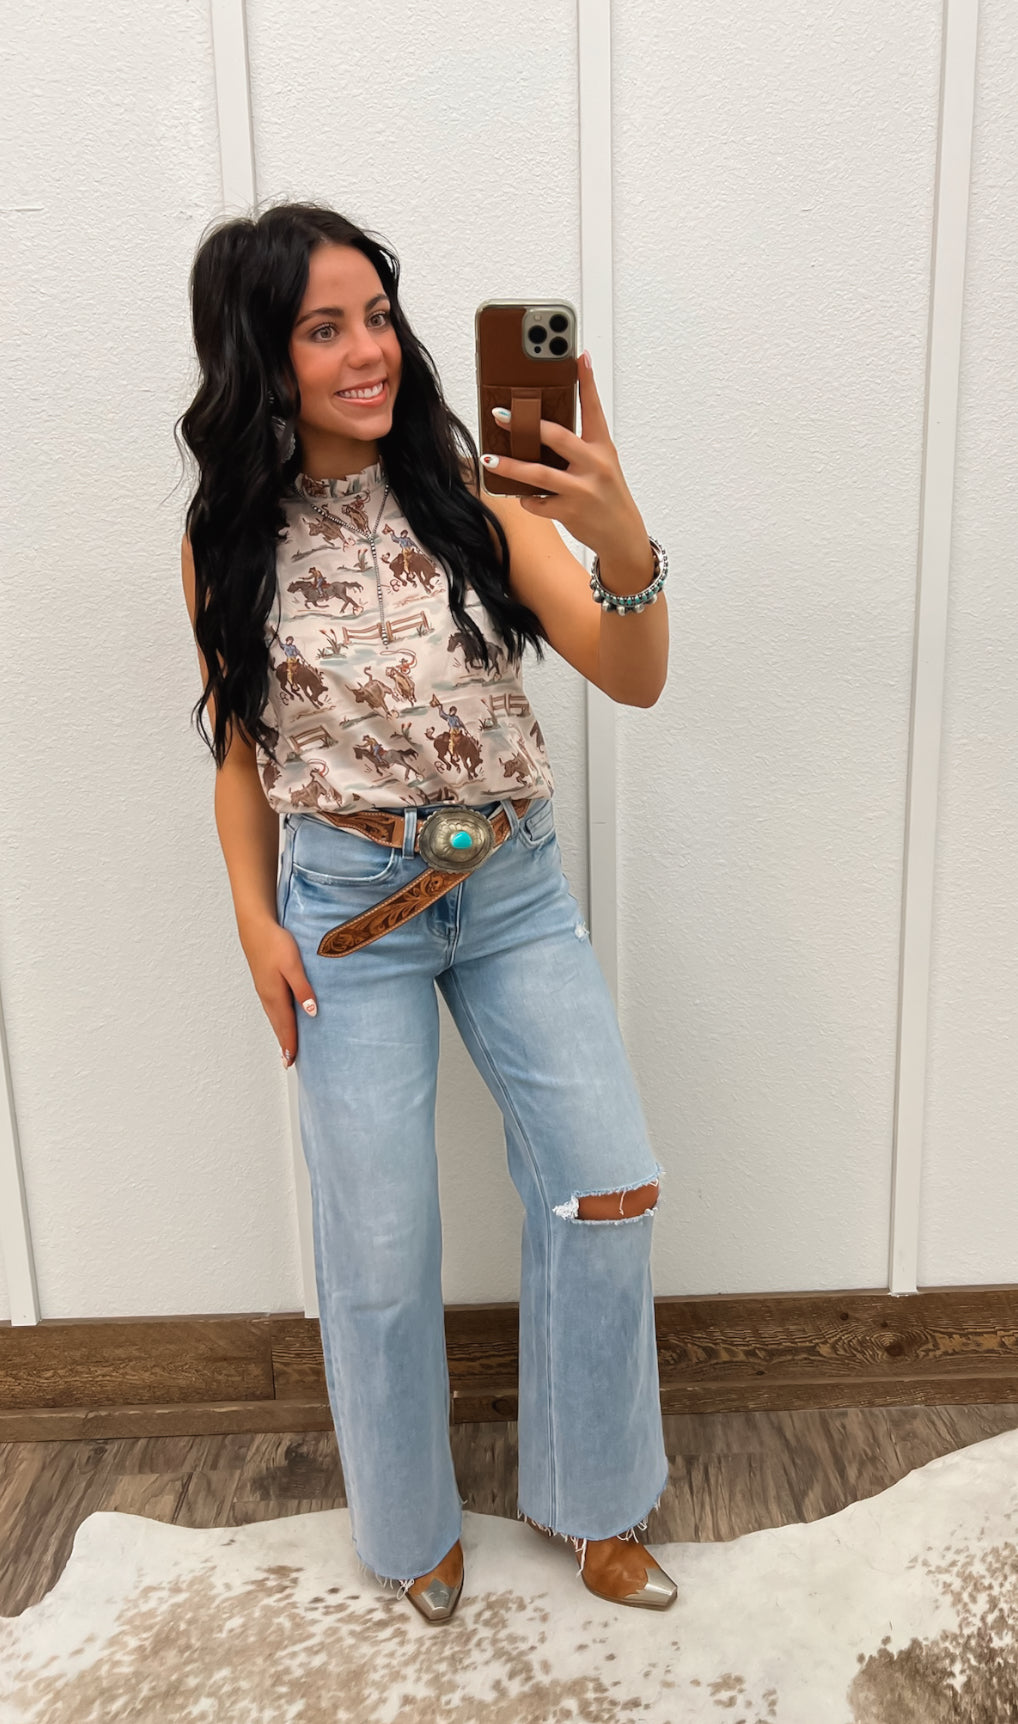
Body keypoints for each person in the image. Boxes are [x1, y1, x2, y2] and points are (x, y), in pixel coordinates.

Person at [177, 202, 675, 1624]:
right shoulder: (228, 539)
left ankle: (594, 1502)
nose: (369, 351)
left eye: (379, 317)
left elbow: (631, 676)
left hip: (509, 891)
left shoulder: (473, 494)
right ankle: (410, 1526)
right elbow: (238, 757)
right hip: (347, 917)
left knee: (605, 1185)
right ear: (260, 359)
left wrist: (620, 537)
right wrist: (253, 923)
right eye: (323, 328)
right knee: (381, 1248)